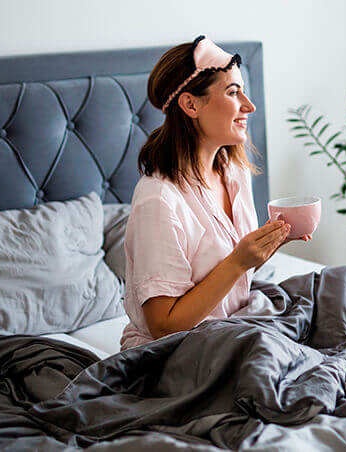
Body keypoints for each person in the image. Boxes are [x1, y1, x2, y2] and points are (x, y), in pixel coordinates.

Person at [120, 36, 310, 350]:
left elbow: (229, 274)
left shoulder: (233, 171)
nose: (249, 106)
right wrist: (237, 262)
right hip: (179, 354)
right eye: (233, 92)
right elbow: (163, 326)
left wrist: (271, 241)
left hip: (234, 330)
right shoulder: (159, 200)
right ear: (191, 104)